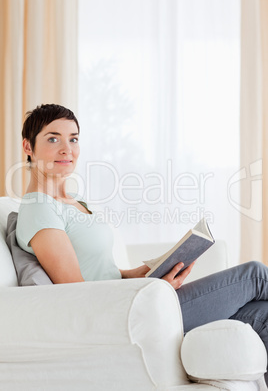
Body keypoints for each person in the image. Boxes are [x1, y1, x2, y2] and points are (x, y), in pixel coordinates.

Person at [17, 104, 268, 385]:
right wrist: (151, 289)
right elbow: (77, 293)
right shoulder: (40, 208)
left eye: (73, 138)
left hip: (132, 299)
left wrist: (144, 272)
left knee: (261, 314)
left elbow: (101, 272)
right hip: (124, 315)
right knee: (256, 275)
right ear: (28, 146)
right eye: (53, 139)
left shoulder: (74, 203)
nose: (67, 149)